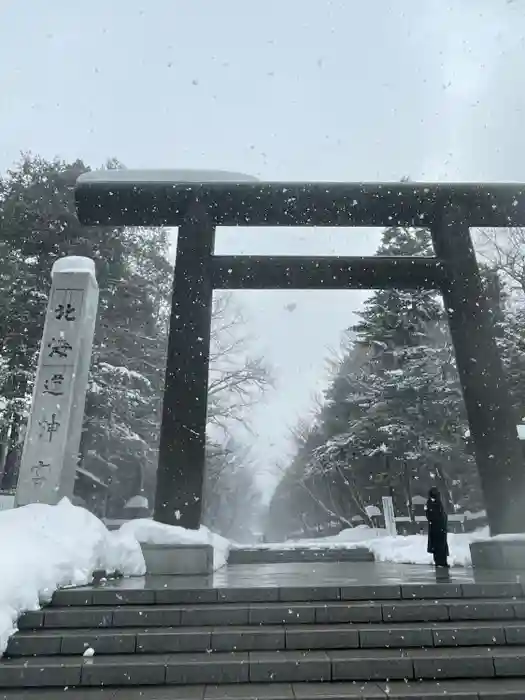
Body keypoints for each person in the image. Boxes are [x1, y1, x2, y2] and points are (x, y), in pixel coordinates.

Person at [426, 486, 449, 568]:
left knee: (441, 546)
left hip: (440, 529)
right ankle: (439, 561)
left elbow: (441, 515)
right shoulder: (430, 504)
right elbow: (431, 516)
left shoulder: (438, 503)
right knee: (438, 547)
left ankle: (443, 561)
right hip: (436, 529)